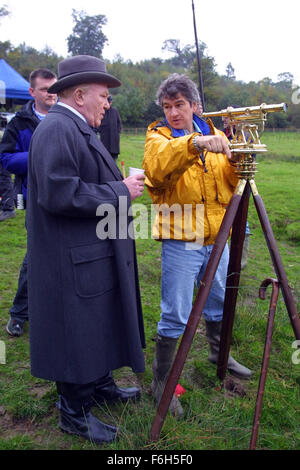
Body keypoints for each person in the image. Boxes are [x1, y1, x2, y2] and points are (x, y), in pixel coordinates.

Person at [26, 55, 146, 445]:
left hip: (88, 254)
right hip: (71, 259)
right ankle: (73, 412)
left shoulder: (75, 127)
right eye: (102, 96)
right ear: (79, 95)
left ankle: (99, 385)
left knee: (95, 324)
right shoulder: (58, 129)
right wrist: (119, 191)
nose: (107, 104)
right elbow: (60, 193)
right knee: (77, 331)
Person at [143, 74, 252, 417]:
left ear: (194, 106)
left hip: (217, 237)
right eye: (167, 106)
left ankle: (219, 355)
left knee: (219, 300)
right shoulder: (158, 137)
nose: (174, 112)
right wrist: (194, 145)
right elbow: (157, 170)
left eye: (180, 105)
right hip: (182, 239)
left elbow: (230, 182)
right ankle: (162, 381)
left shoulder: (216, 134)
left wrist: (236, 162)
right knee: (175, 310)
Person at [0, 68, 57, 337]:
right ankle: (19, 313)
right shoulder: (19, 123)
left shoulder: (65, 116)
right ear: (32, 92)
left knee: (63, 255)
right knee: (35, 255)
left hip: (68, 195)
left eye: (54, 88)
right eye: (45, 89)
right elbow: (6, 159)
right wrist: (37, 153)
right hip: (34, 196)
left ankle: (54, 311)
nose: (51, 93)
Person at [222, 111, 251, 270]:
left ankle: (240, 261)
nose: (224, 119)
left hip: (240, 180)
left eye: (228, 117)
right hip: (226, 179)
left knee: (240, 216)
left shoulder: (244, 134)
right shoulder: (225, 133)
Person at [98, 94, 122, 160]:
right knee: (104, 156)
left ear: (111, 103)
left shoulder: (115, 111)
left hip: (114, 139)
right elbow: (98, 124)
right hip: (105, 139)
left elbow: (119, 123)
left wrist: (117, 133)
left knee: (114, 157)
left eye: (109, 102)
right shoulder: (101, 111)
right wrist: (101, 131)